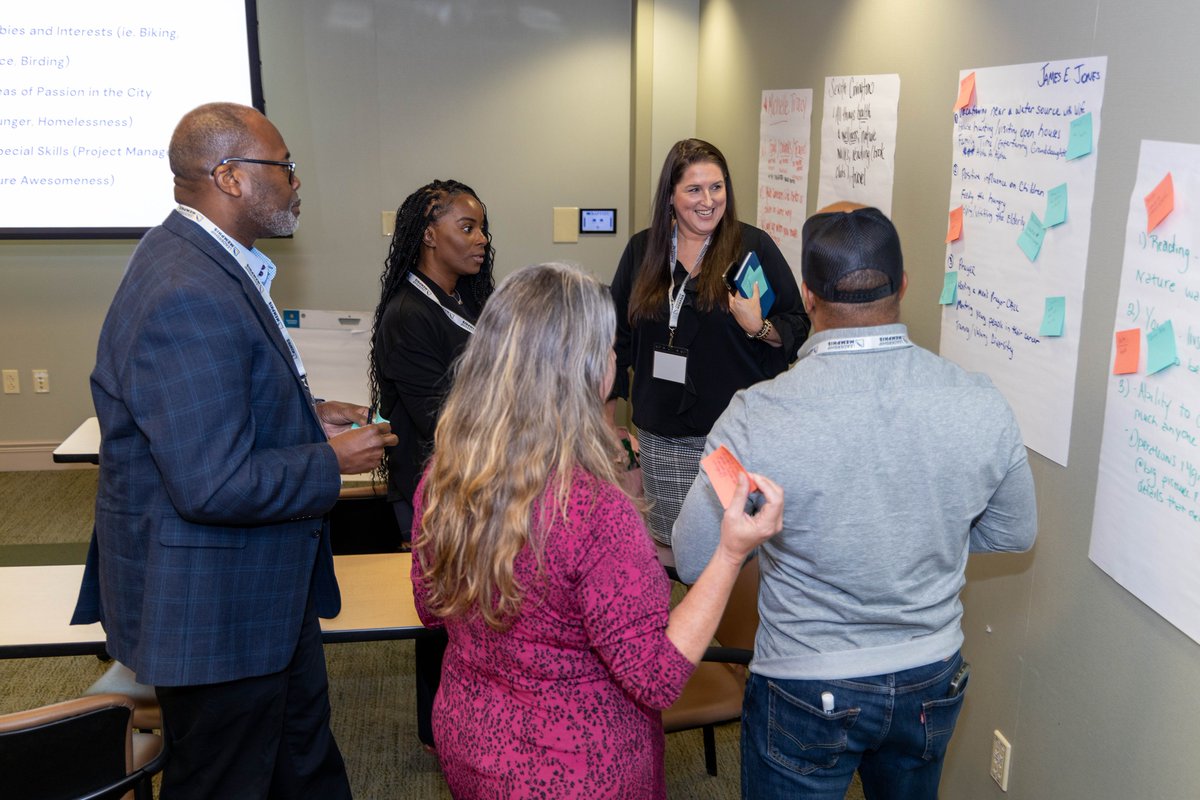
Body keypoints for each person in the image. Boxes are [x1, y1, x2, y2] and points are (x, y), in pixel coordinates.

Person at [71, 102, 397, 800]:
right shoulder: (185, 290)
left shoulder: (204, 262)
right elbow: (210, 483)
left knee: (302, 769)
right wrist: (330, 462)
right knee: (227, 783)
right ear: (229, 176)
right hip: (217, 609)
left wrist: (306, 416)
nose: (296, 182)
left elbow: (214, 407)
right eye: (283, 167)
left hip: (256, 595)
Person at [673, 204, 1038, 799]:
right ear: (904, 284)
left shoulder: (753, 418)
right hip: (930, 679)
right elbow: (1015, 532)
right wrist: (918, 532)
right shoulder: (981, 402)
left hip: (804, 684)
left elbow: (693, 557)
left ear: (809, 296)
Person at [410, 262, 785, 798]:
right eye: (610, 349)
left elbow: (431, 607)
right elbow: (656, 677)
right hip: (578, 768)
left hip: (473, 742)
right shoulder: (594, 513)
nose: (617, 360)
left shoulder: (444, 479)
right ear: (585, 371)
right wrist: (730, 553)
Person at [609, 138, 809, 546]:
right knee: (673, 546)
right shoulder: (643, 251)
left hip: (734, 436)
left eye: (717, 188)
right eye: (694, 189)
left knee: (733, 547)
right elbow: (615, 338)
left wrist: (759, 327)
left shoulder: (751, 247)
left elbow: (796, 323)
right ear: (670, 195)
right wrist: (607, 420)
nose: (708, 201)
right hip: (663, 435)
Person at [368, 178, 494, 749]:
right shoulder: (408, 313)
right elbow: (440, 416)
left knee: (472, 616)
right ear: (427, 235)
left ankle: (464, 720)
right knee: (442, 618)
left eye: (482, 228)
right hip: (434, 488)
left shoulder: (466, 298)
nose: (481, 240)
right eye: (466, 228)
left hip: (477, 481)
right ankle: (440, 733)